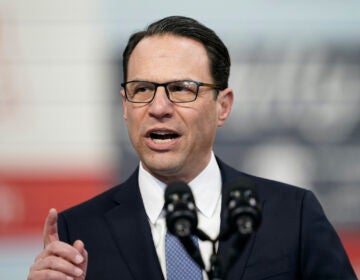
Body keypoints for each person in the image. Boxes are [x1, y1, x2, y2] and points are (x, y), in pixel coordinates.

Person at [27, 16, 356, 280]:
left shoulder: (292, 214)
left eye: (180, 89)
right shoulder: (79, 233)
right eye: (141, 89)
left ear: (222, 106)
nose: (158, 108)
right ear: (125, 105)